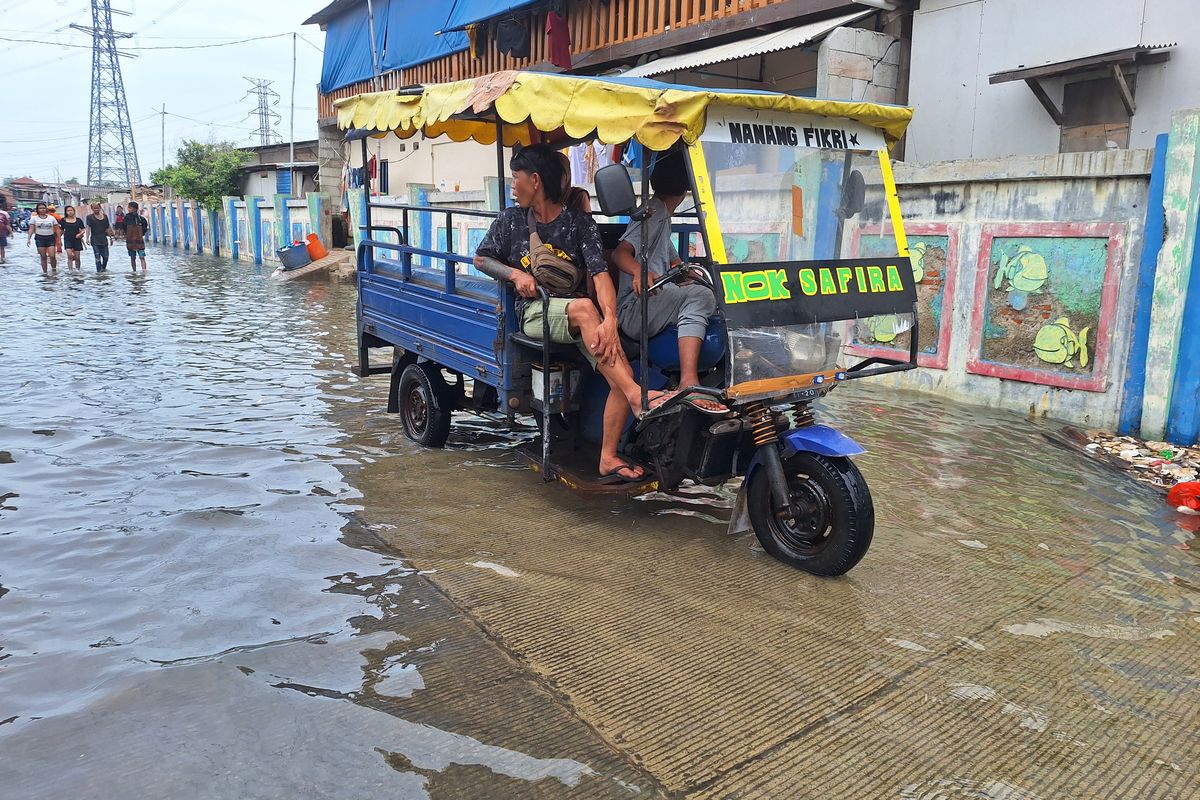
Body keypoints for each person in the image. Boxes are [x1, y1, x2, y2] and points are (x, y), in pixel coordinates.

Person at [474, 144, 671, 482]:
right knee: (586, 312)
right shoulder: (510, 220)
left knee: (618, 366)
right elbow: (481, 258)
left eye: (516, 179)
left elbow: (600, 275)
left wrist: (611, 319)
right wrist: (516, 274)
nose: (513, 186)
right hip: (536, 313)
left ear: (535, 180)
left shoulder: (579, 224)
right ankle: (639, 399)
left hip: (582, 318)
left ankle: (608, 457)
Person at [612, 147, 725, 413]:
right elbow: (620, 253)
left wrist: (684, 270)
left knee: (706, 291)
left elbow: (671, 258)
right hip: (634, 309)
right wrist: (640, 271)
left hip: (653, 303)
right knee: (702, 296)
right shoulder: (653, 212)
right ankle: (688, 381)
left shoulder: (662, 214)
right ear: (688, 189)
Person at [26, 202, 60, 273]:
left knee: (52, 256)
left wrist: (59, 239)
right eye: (40, 208)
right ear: (37, 210)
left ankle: (54, 269)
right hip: (40, 238)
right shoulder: (34, 218)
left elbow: (57, 229)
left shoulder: (52, 218)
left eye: (44, 208)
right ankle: (45, 273)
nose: (42, 210)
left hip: (50, 238)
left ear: (46, 209)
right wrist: (29, 239)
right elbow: (31, 229)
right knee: (43, 256)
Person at [116, 201, 148, 271]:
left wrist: (139, 235)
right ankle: (134, 272)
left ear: (135, 209)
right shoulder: (126, 218)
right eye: (128, 208)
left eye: (130, 208)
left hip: (139, 241)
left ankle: (144, 271)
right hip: (130, 242)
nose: (128, 209)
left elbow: (144, 229)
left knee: (142, 257)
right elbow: (123, 228)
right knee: (132, 257)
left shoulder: (141, 219)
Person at [85, 203, 115, 272]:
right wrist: (87, 238)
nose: (96, 209)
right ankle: (99, 272)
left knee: (106, 257)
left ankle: (103, 269)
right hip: (94, 239)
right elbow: (88, 227)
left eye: (97, 208)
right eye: (94, 208)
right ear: (92, 209)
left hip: (103, 239)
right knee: (97, 257)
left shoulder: (105, 216)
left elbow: (107, 227)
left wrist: (111, 237)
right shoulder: (89, 217)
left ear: (100, 208)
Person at [59, 205, 86, 270]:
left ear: (74, 211)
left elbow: (83, 229)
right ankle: (70, 270)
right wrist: (58, 239)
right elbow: (61, 230)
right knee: (70, 256)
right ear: (66, 212)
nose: (70, 212)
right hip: (67, 239)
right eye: (68, 211)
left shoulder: (78, 220)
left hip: (77, 240)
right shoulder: (63, 220)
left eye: (71, 210)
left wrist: (80, 234)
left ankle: (78, 270)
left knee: (77, 258)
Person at [0, 198, 10, 265]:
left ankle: (2, 258)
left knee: (2, 247)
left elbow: (7, 224)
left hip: (2, 233)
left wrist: (11, 232)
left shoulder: (4, 213)